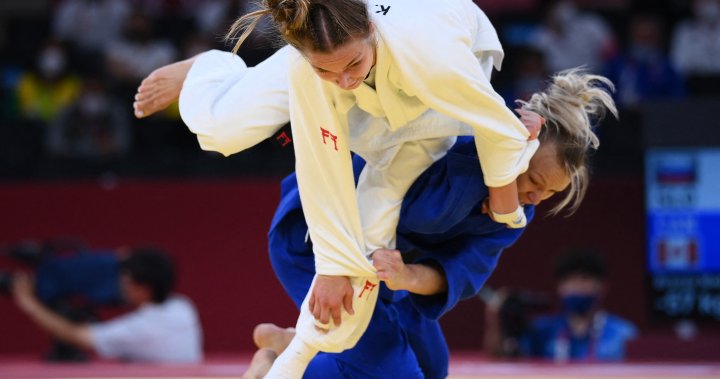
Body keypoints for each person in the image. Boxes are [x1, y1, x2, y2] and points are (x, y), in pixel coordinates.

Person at [134, 0, 541, 375]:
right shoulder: (315, 67)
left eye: (352, 65)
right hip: (343, 49)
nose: (344, 81)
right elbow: (320, 167)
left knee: (370, 229)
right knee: (219, 129)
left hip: (425, 113)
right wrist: (330, 267)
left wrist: (506, 206)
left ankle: (294, 356)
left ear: (370, 28)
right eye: (327, 70)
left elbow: (501, 131)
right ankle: (211, 67)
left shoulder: (434, 58)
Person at [239, 69, 617, 378]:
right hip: (320, 240)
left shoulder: (514, 215)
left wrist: (407, 278)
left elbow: (459, 272)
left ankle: (290, 346)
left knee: (434, 367)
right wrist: (491, 139)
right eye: (533, 181)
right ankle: (279, 365)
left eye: (549, 193)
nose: (534, 197)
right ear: (516, 145)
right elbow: (444, 89)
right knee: (397, 375)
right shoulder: (456, 133)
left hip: (389, 271)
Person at [9, 247, 203, 363]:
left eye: (126, 282)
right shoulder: (183, 308)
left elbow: (74, 335)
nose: (121, 287)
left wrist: (29, 303)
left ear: (144, 289)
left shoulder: (142, 329)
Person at [484, 249, 638, 362]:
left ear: (602, 286)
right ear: (559, 287)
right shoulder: (543, 331)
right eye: (570, 281)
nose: (577, 287)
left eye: (584, 279)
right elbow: (501, 358)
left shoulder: (624, 334)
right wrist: (496, 318)